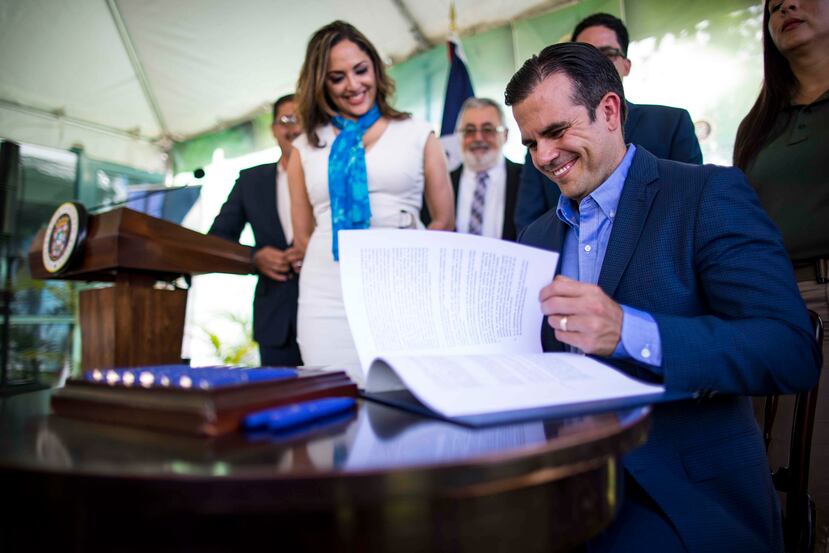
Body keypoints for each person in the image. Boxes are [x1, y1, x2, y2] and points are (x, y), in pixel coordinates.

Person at [506, 42, 819, 551]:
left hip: (681, 494)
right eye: (530, 143)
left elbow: (789, 350)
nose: (543, 157)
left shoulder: (705, 196)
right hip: (563, 484)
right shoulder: (537, 237)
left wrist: (629, 331)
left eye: (557, 132)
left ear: (609, 110)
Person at [288, 21, 454, 377]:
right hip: (326, 292)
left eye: (360, 70)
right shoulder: (303, 147)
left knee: (407, 389)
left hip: (404, 283)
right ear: (320, 84)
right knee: (332, 392)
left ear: (376, 70)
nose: (353, 85)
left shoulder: (417, 133)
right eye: (337, 77)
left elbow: (444, 221)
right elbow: (302, 235)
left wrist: (413, 265)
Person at [734, 0, 829, 547]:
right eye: (772, 4)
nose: (785, 5)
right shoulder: (760, 122)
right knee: (776, 474)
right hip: (769, 308)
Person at [514, 12, 702, 232]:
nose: (545, 154)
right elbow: (529, 224)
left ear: (626, 64)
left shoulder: (670, 124)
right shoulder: (541, 146)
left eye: (606, 54)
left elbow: (691, 202)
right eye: (581, 57)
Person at [208, 94, 303, 366]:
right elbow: (218, 240)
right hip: (276, 320)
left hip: (329, 313)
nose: (295, 128)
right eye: (286, 120)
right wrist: (254, 258)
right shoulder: (250, 181)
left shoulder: (331, 177)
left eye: (303, 120)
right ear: (273, 129)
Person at [450, 97, 523, 241]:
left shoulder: (526, 180)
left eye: (488, 129)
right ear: (459, 136)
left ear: (505, 135)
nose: (478, 138)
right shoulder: (441, 184)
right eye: (469, 130)